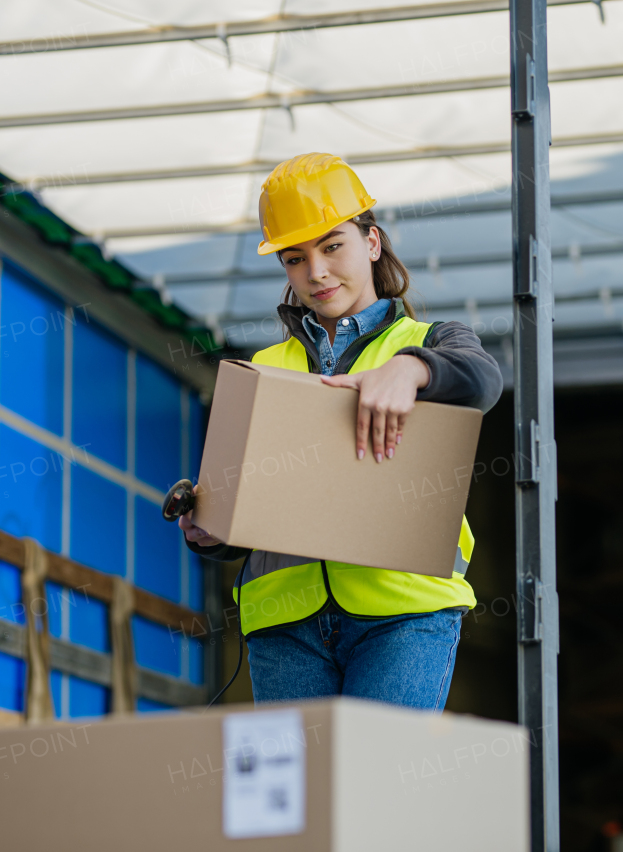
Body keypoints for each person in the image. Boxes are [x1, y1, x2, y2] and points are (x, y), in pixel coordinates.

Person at [178, 153, 502, 712]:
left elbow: (483, 381)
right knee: (302, 801)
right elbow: (252, 517)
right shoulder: (263, 367)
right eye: (295, 258)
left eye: (333, 246)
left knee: (378, 791)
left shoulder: (432, 339)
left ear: (372, 242)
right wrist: (210, 527)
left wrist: (413, 368)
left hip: (403, 613)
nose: (317, 272)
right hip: (286, 624)